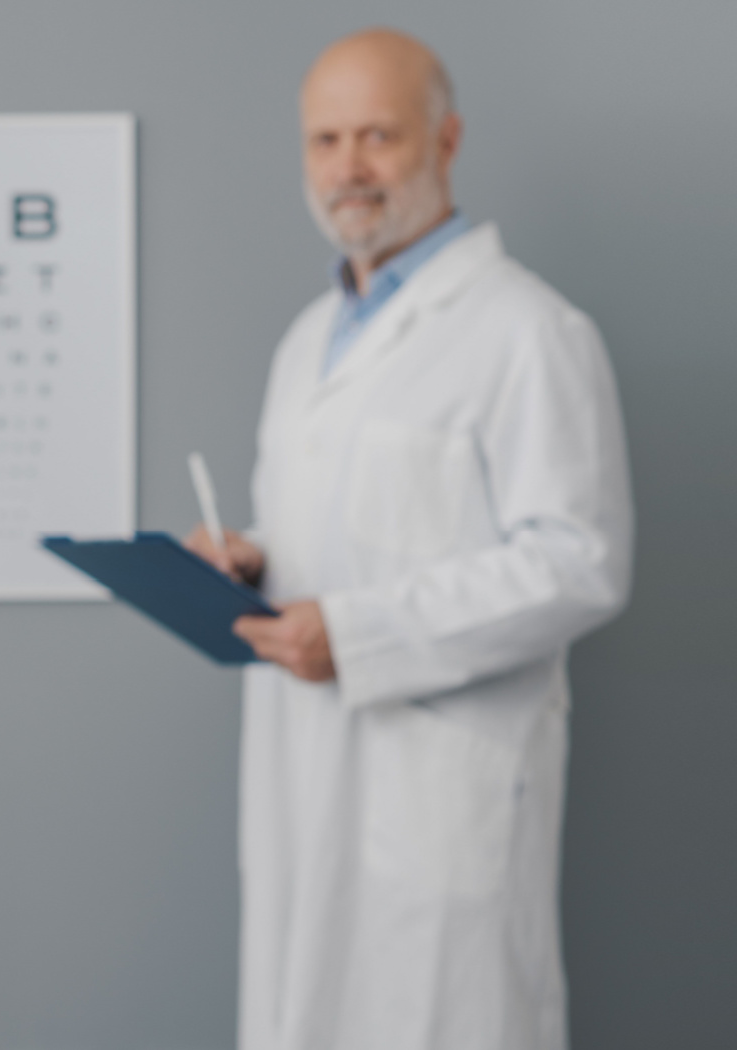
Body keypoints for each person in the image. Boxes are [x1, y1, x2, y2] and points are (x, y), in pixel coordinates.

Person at [185, 29, 633, 1050]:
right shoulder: (310, 340)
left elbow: (580, 559)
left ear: (446, 138)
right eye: (325, 139)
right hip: (306, 778)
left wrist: (356, 632)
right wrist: (252, 558)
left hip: (440, 794)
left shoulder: (527, 332)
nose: (347, 167)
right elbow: (358, 527)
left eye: (377, 135)